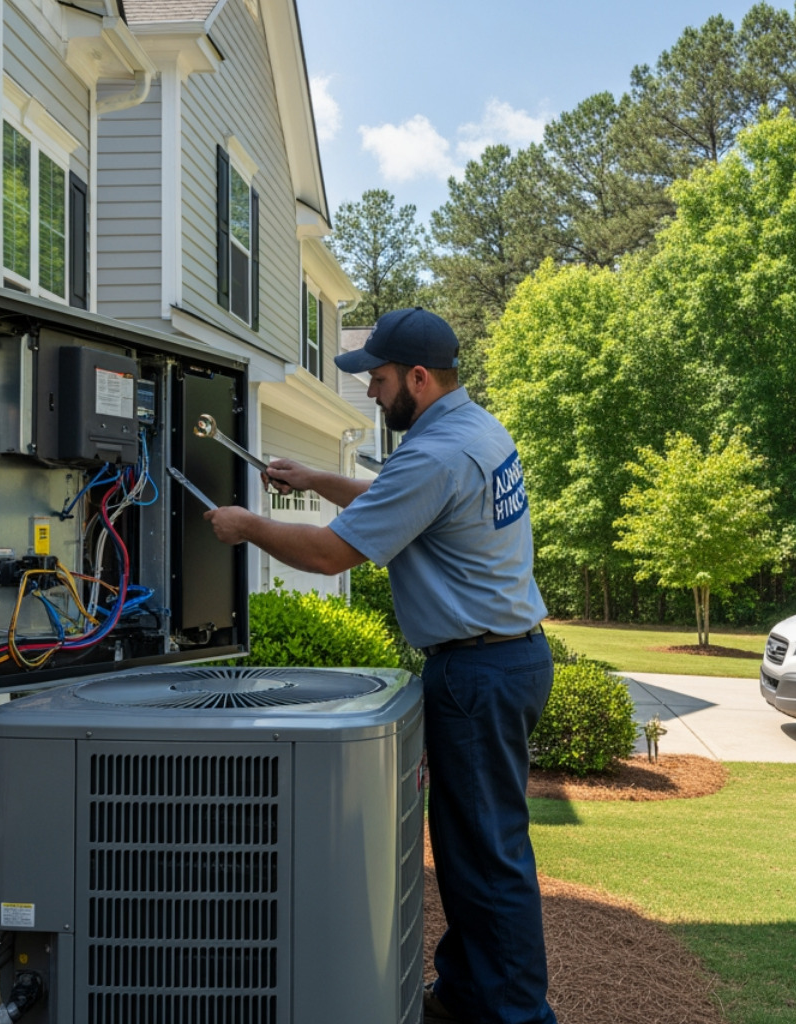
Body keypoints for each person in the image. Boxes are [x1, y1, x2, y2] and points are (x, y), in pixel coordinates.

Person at [204, 307, 557, 1024]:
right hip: (505, 659)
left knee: (487, 856)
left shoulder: (436, 454)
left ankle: (518, 1016)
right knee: (466, 849)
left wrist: (247, 527)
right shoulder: (474, 430)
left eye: (380, 379)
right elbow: (396, 503)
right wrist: (314, 478)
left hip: (479, 673)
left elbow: (330, 554)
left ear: (419, 378)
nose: (370, 392)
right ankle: (466, 994)